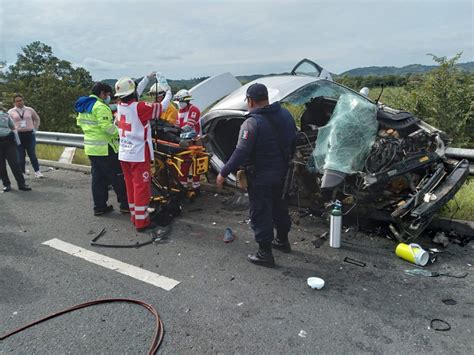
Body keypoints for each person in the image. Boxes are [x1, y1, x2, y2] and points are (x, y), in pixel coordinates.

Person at [216, 83, 297, 268]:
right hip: (282, 173)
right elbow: (294, 140)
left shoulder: (251, 123)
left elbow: (240, 153)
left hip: (261, 176)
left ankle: (265, 254)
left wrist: (223, 172)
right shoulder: (286, 115)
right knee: (280, 208)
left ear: (250, 101)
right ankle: (283, 242)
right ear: (267, 98)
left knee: (260, 214)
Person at [115, 77, 171, 232]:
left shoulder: (121, 105)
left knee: (130, 186)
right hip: (138, 154)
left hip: (124, 153)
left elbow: (134, 93)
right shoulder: (140, 107)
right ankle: (142, 222)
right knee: (141, 188)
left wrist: (146, 79)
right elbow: (162, 107)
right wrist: (168, 93)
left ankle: (135, 216)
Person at [75, 82, 129, 216]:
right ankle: (125, 205)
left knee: (98, 180)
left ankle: (99, 207)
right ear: (102, 94)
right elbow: (107, 128)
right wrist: (121, 132)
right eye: (108, 95)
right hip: (105, 148)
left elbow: (80, 124)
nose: (108, 97)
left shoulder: (85, 106)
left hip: (91, 148)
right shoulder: (100, 107)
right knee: (117, 177)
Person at [8, 94, 42, 178]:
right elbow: (8, 123)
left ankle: (37, 171)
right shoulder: (11, 112)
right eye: (17, 101)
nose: (20, 102)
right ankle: (22, 172)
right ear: (14, 103)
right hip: (18, 135)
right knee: (20, 155)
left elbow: (37, 118)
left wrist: (35, 128)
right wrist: (12, 132)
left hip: (29, 134)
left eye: (21, 100)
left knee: (32, 154)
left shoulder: (29, 109)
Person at [173, 89, 201, 190]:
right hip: (184, 141)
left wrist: (177, 131)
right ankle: (183, 183)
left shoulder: (194, 110)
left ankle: (196, 184)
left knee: (196, 163)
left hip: (195, 140)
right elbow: (176, 124)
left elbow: (189, 126)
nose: (179, 104)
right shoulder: (179, 111)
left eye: (180, 101)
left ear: (186, 100)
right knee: (185, 161)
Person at [0, 103, 31, 192]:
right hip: (9, 140)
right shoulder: (6, 115)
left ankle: (8, 185)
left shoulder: (6, 115)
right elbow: (13, 127)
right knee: (13, 164)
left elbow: (13, 127)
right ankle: (20, 184)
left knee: (4, 165)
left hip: (7, 141)